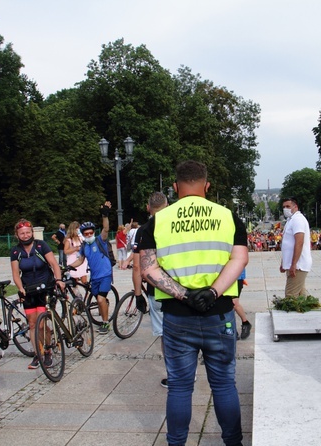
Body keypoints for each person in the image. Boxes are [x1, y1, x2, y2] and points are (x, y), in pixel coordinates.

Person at [138, 160, 248, 446]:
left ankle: (176, 443)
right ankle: (233, 442)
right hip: (219, 311)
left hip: (178, 315)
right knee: (224, 384)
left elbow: (149, 269)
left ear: (175, 188)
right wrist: (212, 292)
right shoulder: (228, 216)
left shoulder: (157, 221)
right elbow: (239, 259)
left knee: (179, 387)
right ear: (207, 185)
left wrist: (184, 295)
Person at [10, 219, 64, 369]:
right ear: (17, 235)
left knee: (41, 324)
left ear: (32, 232)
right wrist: (20, 288)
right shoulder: (15, 251)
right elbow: (15, 273)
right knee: (32, 323)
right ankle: (37, 353)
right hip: (28, 289)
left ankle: (47, 350)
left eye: (28, 232)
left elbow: (53, 263)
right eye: (22, 233)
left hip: (44, 286)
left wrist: (58, 279)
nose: (26, 235)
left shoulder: (41, 245)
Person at [131, 191, 168, 387]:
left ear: (148, 208)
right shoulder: (175, 225)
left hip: (157, 289)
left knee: (165, 333)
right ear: (167, 205)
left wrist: (138, 294)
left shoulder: (143, 230)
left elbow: (138, 266)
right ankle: (191, 370)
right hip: (180, 286)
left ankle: (174, 373)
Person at [68, 202, 113, 335]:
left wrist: (104, 214)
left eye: (90, 233)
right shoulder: (84, 246)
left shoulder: (100, 240)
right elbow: (80, 260)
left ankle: (106, 323)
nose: (88, 235)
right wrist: (69, 266)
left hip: (105, 274)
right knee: (97, 298)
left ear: (93, 232)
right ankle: (103, 307)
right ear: (83, 234)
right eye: (86, 234)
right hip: (94, 277)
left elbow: (106, 228)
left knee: (100, 299)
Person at [279, 197, 312, 297]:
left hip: (298, 265)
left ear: (295, 206)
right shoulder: (291, 220)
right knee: (301, 296)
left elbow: (299, 242)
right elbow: (287, 244)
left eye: (288, 206)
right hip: (293, 264)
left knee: (291, 295)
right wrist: (283, 262)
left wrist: (294, 264)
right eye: (284, 207)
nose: (285, 209)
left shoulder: (298, 220)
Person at [64, 221, 88, 285]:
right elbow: (66, 251)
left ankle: (87, 292)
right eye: (77, 228)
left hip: (81, 259)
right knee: (75, 279)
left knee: (84, 277)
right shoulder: (69, 240)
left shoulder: (81, 238)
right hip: (73, 259)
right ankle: (76, 293)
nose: (78, 230)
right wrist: (75, 248)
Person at [234, 269, 251, 340]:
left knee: (234, 303)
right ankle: (233, 329)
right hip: (224, 277)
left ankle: (245, 323)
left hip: (236, 277)